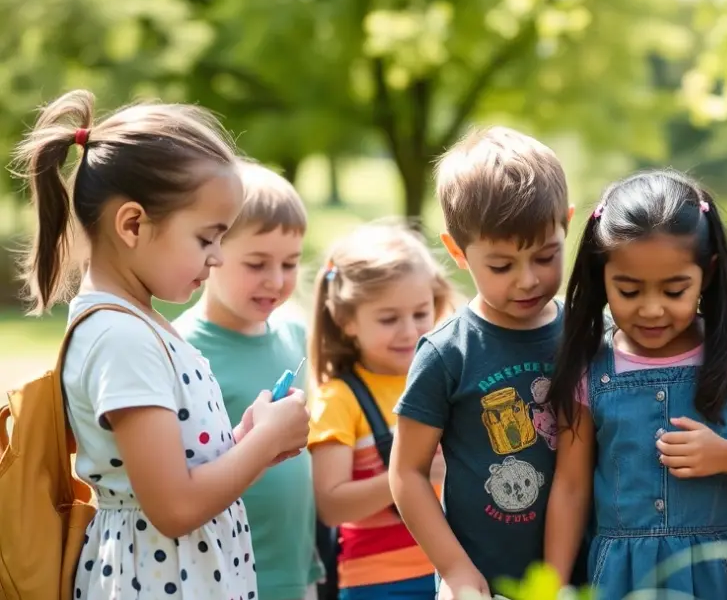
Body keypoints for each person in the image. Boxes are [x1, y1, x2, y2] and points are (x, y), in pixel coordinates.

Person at [11, 90, 310, 599]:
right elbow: (172, 508)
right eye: (206, 238)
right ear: (132, 224)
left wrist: (242, 441)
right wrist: (263, 446)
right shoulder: (121, 338)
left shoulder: (139, 323)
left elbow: (169, 468)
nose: (216, 258)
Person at [543, 169, 727, 599]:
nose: (652, 310)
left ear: (707, 274)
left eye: (674, 291)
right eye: (629, 291)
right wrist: (551, 589)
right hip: (618, 582)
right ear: (603, 276)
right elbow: (570, 486)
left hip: (712, 580)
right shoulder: (590, 366)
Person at [390, 126, 586, 598]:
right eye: (501, 266)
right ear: (457, 250)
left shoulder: (588, 334)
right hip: (482, 584)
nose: (527, 281)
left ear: (567, 222)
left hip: (583, 579)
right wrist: (455, 570)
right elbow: (407, 473)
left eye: (545, 256)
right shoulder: (447, 353)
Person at [175, 161, 322, 600]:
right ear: (212, 252)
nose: (276, 281)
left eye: (291, 263)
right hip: (220, 576)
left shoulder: (295, 334)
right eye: (257, 263)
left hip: (297, 569)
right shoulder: (182, 348)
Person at [307, 221, 459, 600]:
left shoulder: (445, 377)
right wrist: (412, 470)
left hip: (457, 570)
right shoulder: (339, 399)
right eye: (389, 319)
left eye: (421, 313)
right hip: (378, 581)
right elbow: (331, 505)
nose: (409, 331)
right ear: (346, 321)